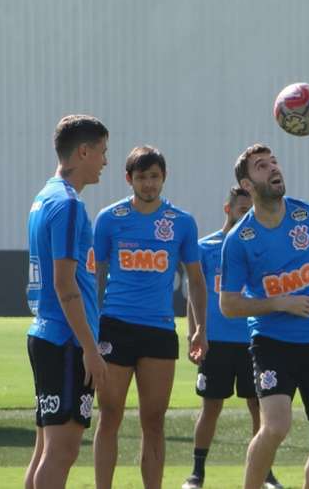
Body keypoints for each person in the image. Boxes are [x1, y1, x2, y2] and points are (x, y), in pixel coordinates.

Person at [220, 143, 309, 489]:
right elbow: (229, 305)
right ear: (247, 185)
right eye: (261, 166)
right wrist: (280, 303)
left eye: (274, 162)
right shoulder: (238, 239)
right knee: (275, 426)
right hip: (272, 342)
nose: (273, 169)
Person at [93, 145, 208, 489]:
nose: (148, 184)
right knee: (109, 415)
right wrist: (90, 324)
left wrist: (199, 329)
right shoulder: (109, 219)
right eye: (141, 177)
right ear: (129, 179)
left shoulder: (182, 223)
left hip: (159, 329)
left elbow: (196, 281)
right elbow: (95, 275)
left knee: (154, 421)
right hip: (114, 325)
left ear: (164, 178)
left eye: (154, 176)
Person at [24, 115, 109, 489]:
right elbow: (65, 285)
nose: (105, 161)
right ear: (84, 151)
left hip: (47, 334)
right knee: (62, 451)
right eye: (103, 152)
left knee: (46, 448)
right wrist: (91, 349)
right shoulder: (69, 204)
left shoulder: (44, 196)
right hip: (65, 340)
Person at [182, 186, 283, 489]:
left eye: (250, 209)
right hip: (217, 341)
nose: (246, 214)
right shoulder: (206, 247)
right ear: (228, 209)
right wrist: (194, 334)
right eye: (241, 209)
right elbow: (194, 295)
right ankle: (197, 472)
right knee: (211, 407)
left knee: (259, 407)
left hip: (253, 339)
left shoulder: (259, 247)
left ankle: (265, 473)